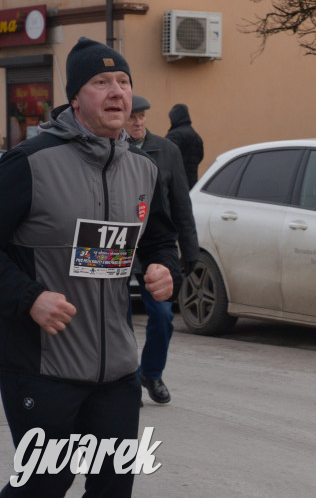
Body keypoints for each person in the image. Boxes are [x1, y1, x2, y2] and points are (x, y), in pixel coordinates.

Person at [0, 37, 182, 496]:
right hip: (43, 369)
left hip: (118, 373)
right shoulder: (29, 164)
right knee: (45, 485)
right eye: (101, 82)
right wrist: (30, 297)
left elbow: (160, 239)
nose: (117, 91)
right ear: (76, 98)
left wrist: (164, 269)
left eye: (123, 81)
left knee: (113, 489)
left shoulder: (143, 169)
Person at [126, 95, 200, 405]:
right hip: (118, 245)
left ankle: (151, 372)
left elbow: (182, 204)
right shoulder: (109, 151)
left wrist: (190, 250)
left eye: (142, 116)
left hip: (157, 246)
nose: (138, 121)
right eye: (133, 116)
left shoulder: (167, 151)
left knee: (162, 314)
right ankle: (125, 378)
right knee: (118, 318)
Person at [165, 103, 204, 189]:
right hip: (193, 183)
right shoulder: (196, 136)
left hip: (176, 183)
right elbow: (200, 157)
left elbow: (166, 155)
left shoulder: (175, 135)